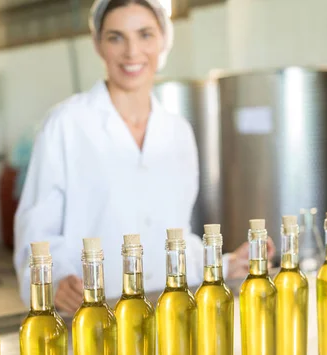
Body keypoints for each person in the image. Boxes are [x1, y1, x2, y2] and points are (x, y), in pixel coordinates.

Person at [14, 0, 275, 313]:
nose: (132, 52)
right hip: (94, 318)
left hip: (168, 316)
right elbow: (35, 234)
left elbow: (173, 236)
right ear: (98, 44)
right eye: (116, 37)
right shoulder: (66, 125)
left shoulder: (178, 132)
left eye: (145, 35)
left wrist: (223, 263)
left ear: (164, 38)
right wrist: (56, 282)